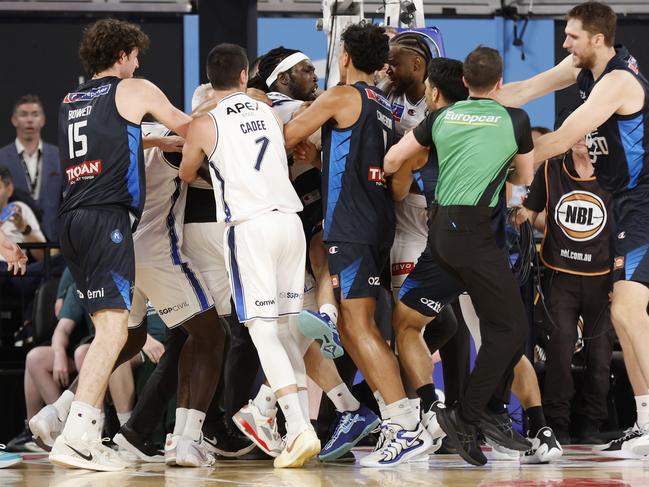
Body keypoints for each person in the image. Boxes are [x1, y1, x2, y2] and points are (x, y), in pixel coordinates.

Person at [496, 0, 649, 459]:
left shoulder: (619, 81)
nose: (565, 43)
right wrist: (476, 102)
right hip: (623, 204)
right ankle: (644, 425)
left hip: (640, 203)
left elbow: (561, 139)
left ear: (598, 39)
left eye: (572, 36)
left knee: (626, 314)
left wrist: (502, 167)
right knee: (628, 316)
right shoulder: (584, 67)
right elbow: (524, 89)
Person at [284, 22, 434, 467]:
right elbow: (388, 174)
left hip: (350, 223)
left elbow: (290, 134)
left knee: (360, 326)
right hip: (379, 218)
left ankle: (404, 424)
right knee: (354, 327)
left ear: (344, 56)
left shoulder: (341, 97)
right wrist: (325, 157)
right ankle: (398, 418)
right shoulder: (385, 106)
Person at [45, 18, 191, 472]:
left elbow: (114, 139)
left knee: (110, 330)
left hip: (72, 218)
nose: (138, 63)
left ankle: (72, 425)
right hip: (106, 215)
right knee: (114, 332)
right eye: (136, 56)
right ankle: (80, 436)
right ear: (124, 54)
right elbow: (190, 125)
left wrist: (150, 136)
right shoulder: (135, 88)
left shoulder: (73, 99)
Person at [384, 46, 534, 466]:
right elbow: (524, 176)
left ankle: (457, 410)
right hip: (480, 239)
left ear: (464, 83)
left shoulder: (439, 119)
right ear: (500, 84)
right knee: (511, 330)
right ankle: (469, 414)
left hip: (439, 237)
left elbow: (393, 158)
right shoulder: (515, 119)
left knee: (411, 322)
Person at [179, 43, 320, 469]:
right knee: (286, 328)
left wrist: (216, 167)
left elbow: (186, 172)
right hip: (291, 223)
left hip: (250, 228)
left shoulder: (206, 123)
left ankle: (298, 428)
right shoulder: (270, 111)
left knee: (262, 332)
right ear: (245, 76)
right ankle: (290, 424)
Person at [239, 47, 379, 462]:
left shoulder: (263, 106)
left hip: (300, 209)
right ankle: (347, 407)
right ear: (282, 79)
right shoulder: (292, 107)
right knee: (292, 324)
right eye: (304, 70)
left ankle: (268, 405)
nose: (313, 75)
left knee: (296, 313)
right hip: (289, 208)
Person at [516, 135, 614, 445]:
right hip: (560, 277)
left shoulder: (615, 173)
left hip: (603, 279)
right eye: (576, 131)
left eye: (590, 133)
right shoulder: (551, 170)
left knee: (600, 358)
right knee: (559, 353)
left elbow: (628, 223)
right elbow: (527, 215)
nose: (582, 139)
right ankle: (557, 423)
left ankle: (591, 424)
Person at [0, 95, 61, 241]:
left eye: (35, 114)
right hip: (14, 241)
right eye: (23, 114)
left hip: (54, 242)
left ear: (43, 120)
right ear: (14, 120)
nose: (29, 120)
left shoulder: (59, 156)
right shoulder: (1, 157)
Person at [0, 165, 46, 262]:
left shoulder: (19, 209)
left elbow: (43, 256)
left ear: (9, 190)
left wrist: (23, 228)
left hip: (13, 269)